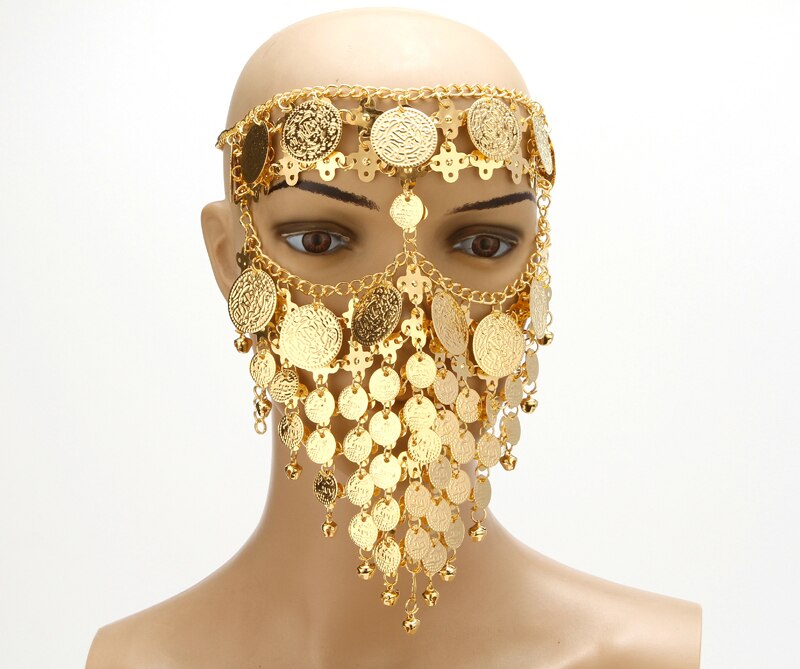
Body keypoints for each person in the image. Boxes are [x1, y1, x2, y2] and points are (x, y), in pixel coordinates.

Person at [86, 8, 702, 668]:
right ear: (228, 259)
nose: (410, 315)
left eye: (483, 243)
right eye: (319, 240)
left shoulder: (650, 654)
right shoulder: (131, 659)